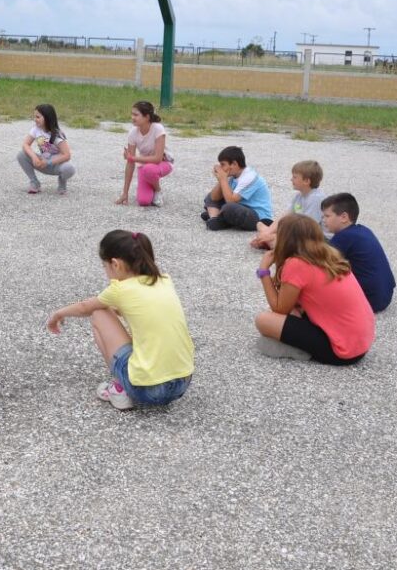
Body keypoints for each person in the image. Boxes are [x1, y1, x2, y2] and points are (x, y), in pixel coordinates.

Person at [47, 230, 194, 411]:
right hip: (182, 383)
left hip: (148, 390)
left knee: (99, 312)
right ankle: (135, 378)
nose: (105, 271)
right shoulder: (163, 281)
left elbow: (86, 307)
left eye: (105, 266)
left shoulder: (120, 289)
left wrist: (58, 314)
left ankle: (119, 389)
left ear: (115, 264)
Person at [254, 213, 375, 364]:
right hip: (360, 344)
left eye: (277, 235)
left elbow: (279, 308)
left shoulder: (296, 263)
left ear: (286, 239)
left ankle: (298, 350)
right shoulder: (329, 254)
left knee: (263, 320)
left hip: (341, 351)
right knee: (292, 310)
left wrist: (264, 271)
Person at [321, 193, 396, 313]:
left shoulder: (343, 237)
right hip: (385, 295)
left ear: (344, 217)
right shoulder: (363, 230)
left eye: (327, 216)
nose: (323, 220)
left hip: (370, 300)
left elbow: (320, 263)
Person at [251, 160, 326, 250]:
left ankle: (275, 244)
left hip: (311, 237)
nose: (291, 179)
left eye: (295, 177)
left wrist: (274, 236)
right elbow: (285, 216)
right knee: (261, 224)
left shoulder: (316, 198)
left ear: (306, 181)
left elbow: (307, 228)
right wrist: (268, 233)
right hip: (298, 231)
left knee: (274, 238)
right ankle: (269, 240)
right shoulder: (299, 195)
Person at [114, 100, 173, 207]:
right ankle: (151, 183)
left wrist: (133, 158)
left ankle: (158, 190)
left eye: (136, 115)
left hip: (163, 163)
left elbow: (158, 158)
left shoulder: (158, 128)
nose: (132, 117)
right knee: (143, 201)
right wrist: (125, 193)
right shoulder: (133, 133)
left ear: (147, 117)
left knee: (149, 169)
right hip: (146, 167)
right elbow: (130, 163)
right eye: (132, 114)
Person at [202, 145, 273, 231]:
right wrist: (221, 180)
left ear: (234, 164)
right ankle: (215, 219)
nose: (221, 168)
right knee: (210, 196)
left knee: (229, 207)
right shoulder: (234, 175)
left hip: (259, 218)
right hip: (241, 208)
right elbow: (214, 198)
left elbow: (230, 201)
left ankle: (220, 216)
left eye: (223, 164)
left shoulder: (249, 177)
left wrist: (223, 179)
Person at [17, 103, 75, 194]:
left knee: (69, 168)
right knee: (21, 155)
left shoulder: (57, 134)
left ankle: (62, 182)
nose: (35, 119)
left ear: (47, 118)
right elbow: (25, 144)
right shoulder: (35, 129)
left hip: (55, 165)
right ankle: (34, 182)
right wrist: (34, 157)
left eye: (38, 117)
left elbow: (67, 155)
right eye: (34, 117)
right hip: (42, 161)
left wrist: (48, 162)